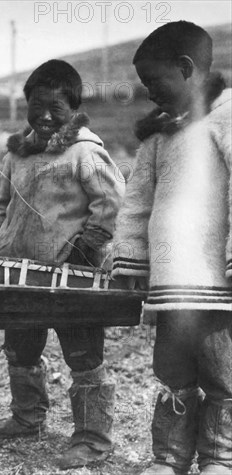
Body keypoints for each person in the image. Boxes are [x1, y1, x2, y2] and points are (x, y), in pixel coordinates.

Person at [0, 59, 125, 470]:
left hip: (73, 275)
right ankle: (27, 417)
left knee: (83, 353)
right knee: (21, 346)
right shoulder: (18, 154)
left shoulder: (84, 152)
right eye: (36, 107)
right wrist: (2, 235)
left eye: (56, 108)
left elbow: (113, 204)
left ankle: (92, 438)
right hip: (19, 273)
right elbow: (1, 203)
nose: (45, 116)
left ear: (74, 109)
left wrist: (86, 249)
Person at [112, 21, 232, 475]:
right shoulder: (160, 137)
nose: (148, 94)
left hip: (216, 280)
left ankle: (220, 457)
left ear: (186, 69)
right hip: (170, 282)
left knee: (223, 371)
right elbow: (136, 201)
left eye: (154, 82)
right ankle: (169, 457)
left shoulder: (227, 119)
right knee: (173, 370)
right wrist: (130, 256)